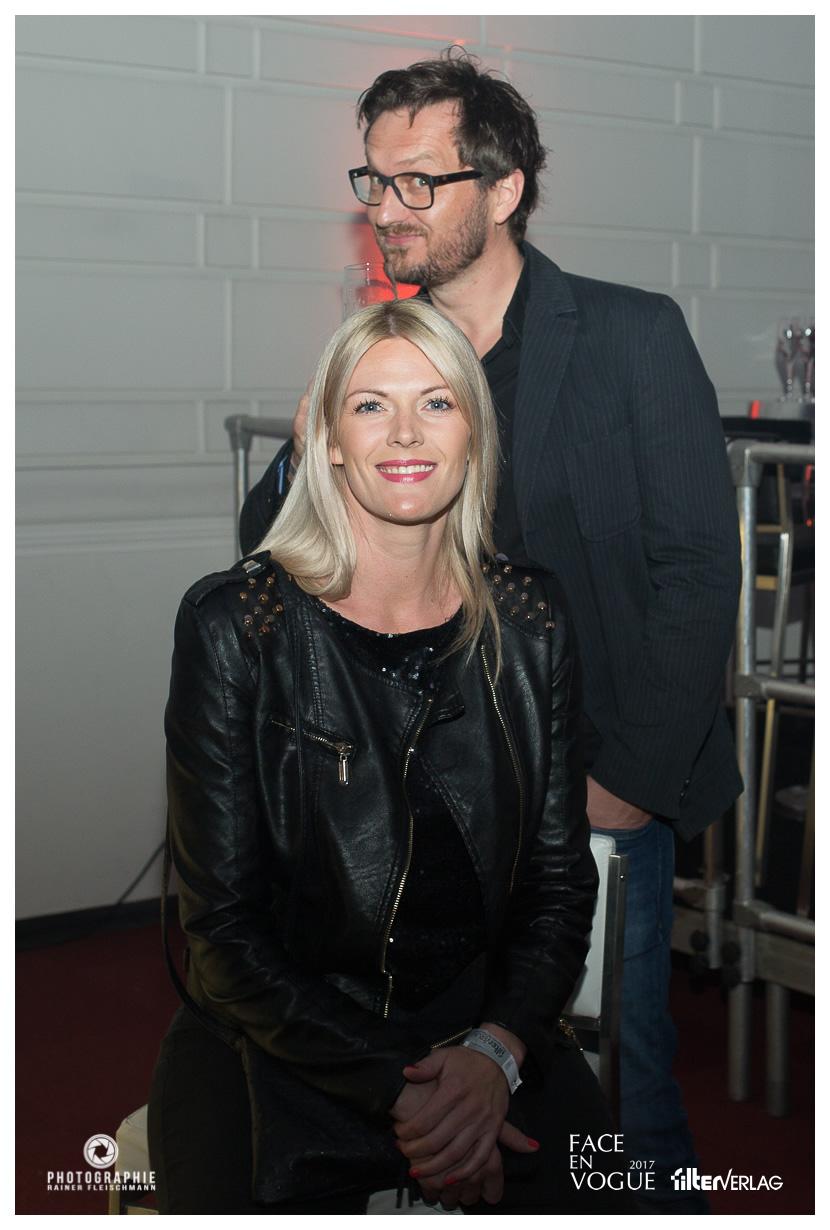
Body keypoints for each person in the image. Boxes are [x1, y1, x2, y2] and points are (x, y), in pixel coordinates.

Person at [239, 49, 743, 1214]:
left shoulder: (626, 335)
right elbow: (277, 546)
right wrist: (317, 443)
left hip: (596, 792)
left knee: (618, 1102)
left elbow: (695, 572)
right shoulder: (389, 354)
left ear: (504, 187)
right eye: (375, 180)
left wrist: (625, 788)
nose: (389, 209)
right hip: (434, 806)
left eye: (420, 181)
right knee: (463, 1096)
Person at [149, 298, 637, 1215]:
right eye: (371, 405)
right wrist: (405, 1092)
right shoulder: (237, 625)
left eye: (437, 402)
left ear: (474, 433)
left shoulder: (531, 620)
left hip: (482, 1033)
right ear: (328, 439)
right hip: (281, 1037)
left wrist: (494, 1053)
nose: (405, 432)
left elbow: (559, 885)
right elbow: (224, 936)